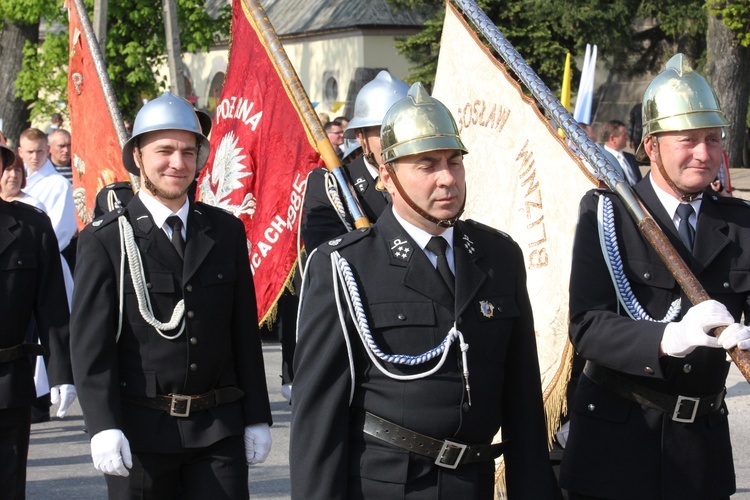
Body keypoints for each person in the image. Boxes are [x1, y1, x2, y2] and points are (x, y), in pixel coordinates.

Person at [290, 83, 558, 499]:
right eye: (427, 165)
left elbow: (521, 401)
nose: (447, 179)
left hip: (473, 483)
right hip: (387, 484)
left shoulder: (497, 256)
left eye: (454, 162)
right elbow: (318, 418)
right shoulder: (345, 265)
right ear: (388, 176)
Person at [560, 54, 750, 499]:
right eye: (688, 140)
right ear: (652, 146)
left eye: (712, 139)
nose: (704, 154)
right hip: (617, 446)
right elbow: (586, 325)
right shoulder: (609, 215)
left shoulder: (741, 224)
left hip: (702, 449)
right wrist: (666, 339)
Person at [70, 92, 273, 498]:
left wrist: (256, 416)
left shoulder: (223, 231)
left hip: (218, 429)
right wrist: (103, 424)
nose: (177, 163)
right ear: (138, 158)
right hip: (141, 431)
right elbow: (91, 346)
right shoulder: (107, 238)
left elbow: (243, 335)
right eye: (164, 150)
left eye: (188, 151)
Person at [0, 143, 74, 499]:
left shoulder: (30, 226)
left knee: (8, 483)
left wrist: (62, 373)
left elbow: (52, 306)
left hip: (8, 381)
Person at [301, 70, 409, 251]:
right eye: (386, 131)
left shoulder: (428, 176)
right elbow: (328, 260)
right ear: (361, 136)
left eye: (406, 129)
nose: (397, 141)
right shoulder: (332, 186)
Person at [601, 119, 642, 186]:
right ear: (613, 139)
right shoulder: (603, 160)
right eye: (624, 135)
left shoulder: (631, 157)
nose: (627, 138)